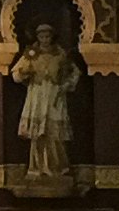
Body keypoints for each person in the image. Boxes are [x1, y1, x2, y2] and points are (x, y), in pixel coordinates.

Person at [10, 12, 81, 182]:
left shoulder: (60, 54)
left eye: (47, 36)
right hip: (37, 96)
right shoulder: (31, 54)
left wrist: (66, 85)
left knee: (55, 134)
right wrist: (25, 72)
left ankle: (59, 168)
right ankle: (37, 168)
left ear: (52, 37)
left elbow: (75, 72)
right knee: (38, 135)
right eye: (41, 36)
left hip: (55, 96)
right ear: (37, 37)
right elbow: (15, 75)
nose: (45, 40)